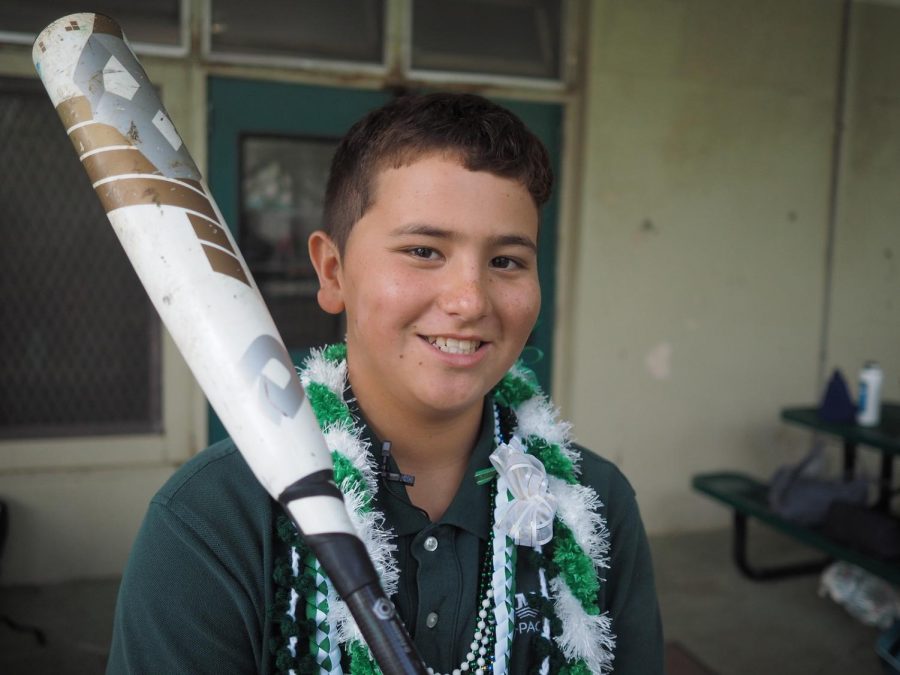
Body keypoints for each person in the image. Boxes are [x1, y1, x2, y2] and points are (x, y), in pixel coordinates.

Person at [107, 92, 663, 674]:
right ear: (332, 271)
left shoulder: (594, 502)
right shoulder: (214, 519)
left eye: (506, 261)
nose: (469, 300)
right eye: (423, 251)